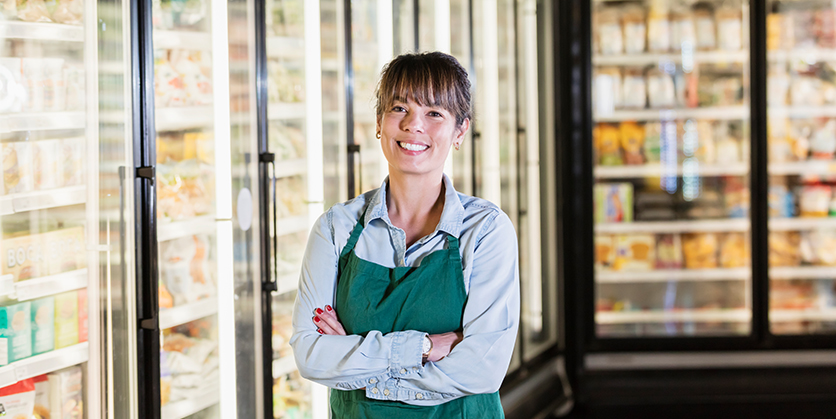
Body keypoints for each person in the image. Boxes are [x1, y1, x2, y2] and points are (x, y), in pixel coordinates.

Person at [290, 51, 520, 418]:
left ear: (460, 131)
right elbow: (311, 357)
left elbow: (482, 370)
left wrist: (359, 365)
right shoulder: (336, 228)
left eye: (434, 113)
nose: (414, 125)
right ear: (379, 123)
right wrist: (425, 347)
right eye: (399, 108)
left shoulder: (486, 230)